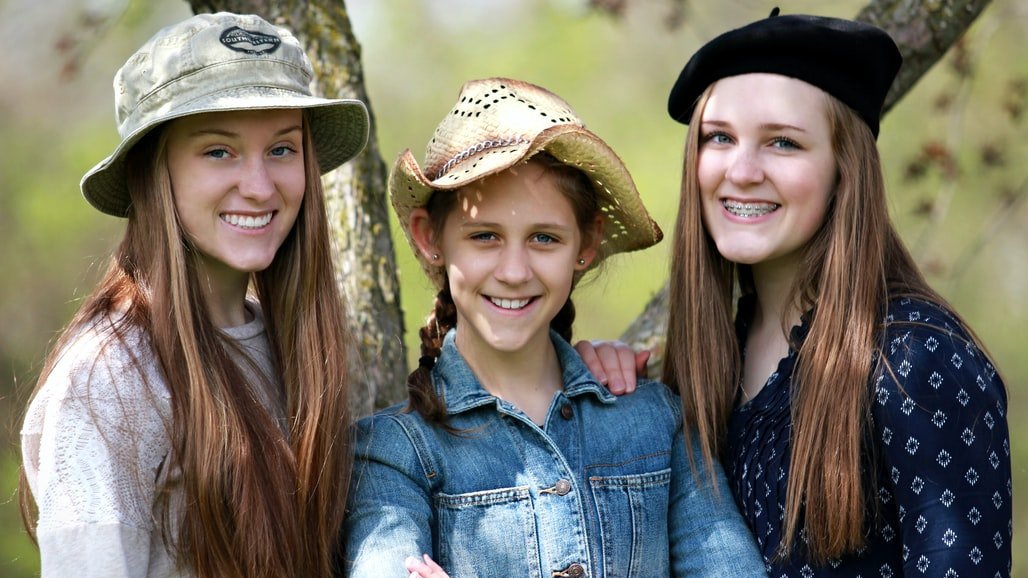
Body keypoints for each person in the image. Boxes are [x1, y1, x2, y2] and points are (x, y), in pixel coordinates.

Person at [575, 8, 1012, 577]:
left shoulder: (914, 357)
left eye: (782, 142)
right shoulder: (708, 364)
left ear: (844, 171)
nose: (742, 169)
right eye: (720, 138)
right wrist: (590, 391)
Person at [343, 77, 767, 578]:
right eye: (485, 236)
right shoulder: (391, 451)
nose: (515, 271)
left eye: (544, 238)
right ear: (429, 236)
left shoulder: (657, 421)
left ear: (585, 245)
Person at [19, 12, 369, 578]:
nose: (259, 187)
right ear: (153, 173)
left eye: (282, 149)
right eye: (218, 152)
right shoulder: (109, 380)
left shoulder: (297, 349)